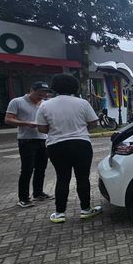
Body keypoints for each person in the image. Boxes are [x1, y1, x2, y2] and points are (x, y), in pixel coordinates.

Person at [34, 74, 102, 223]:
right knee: (82, 178)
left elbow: (42, 128)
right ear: (74, 87)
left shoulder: (45, 105)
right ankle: (85, 210)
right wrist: (80, 128)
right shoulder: (82, 103)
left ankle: (59, 213)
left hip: (56, 146)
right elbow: (94, 123)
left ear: (54, 87)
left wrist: (57, 131)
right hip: (81, 144)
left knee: (62, 178)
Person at [5, 82, 52, 208]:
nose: (42, 95)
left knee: (41, 168)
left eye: (44, 93)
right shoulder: (17, 102)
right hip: (27, 140)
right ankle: (23, 198)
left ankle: (38, 193)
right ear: (32, 90)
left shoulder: (45, 103)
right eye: (39, 93)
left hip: (43, 139)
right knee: (27, 169)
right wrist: (26, 123)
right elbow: (8, 119)